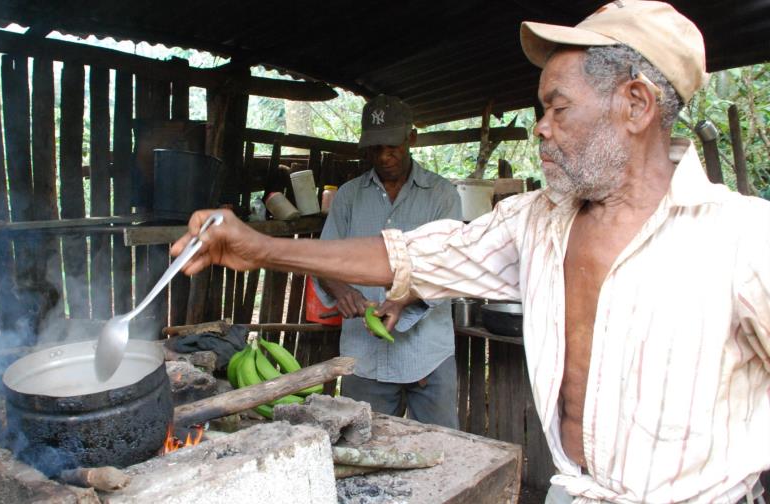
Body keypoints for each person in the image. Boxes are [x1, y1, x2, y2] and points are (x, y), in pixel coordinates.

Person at [172, 1, 770, 502]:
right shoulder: (537, 222)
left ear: (636, 104)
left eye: (558, 107)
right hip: (574, 491)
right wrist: (258, 247)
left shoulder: (745, 240)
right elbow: (409, 257)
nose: (541, 127)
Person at [313, 95, 462, 428]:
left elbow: (447, 268)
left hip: (426, 356)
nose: (383, 156)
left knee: (442, 448)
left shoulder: (441, 196)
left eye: (392, 146)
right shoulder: (349, 196)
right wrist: (342, 290)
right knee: (362, 447)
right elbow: (324, 260)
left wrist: (399, 300)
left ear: (412, 138)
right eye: (376, 147)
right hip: (364, 358)